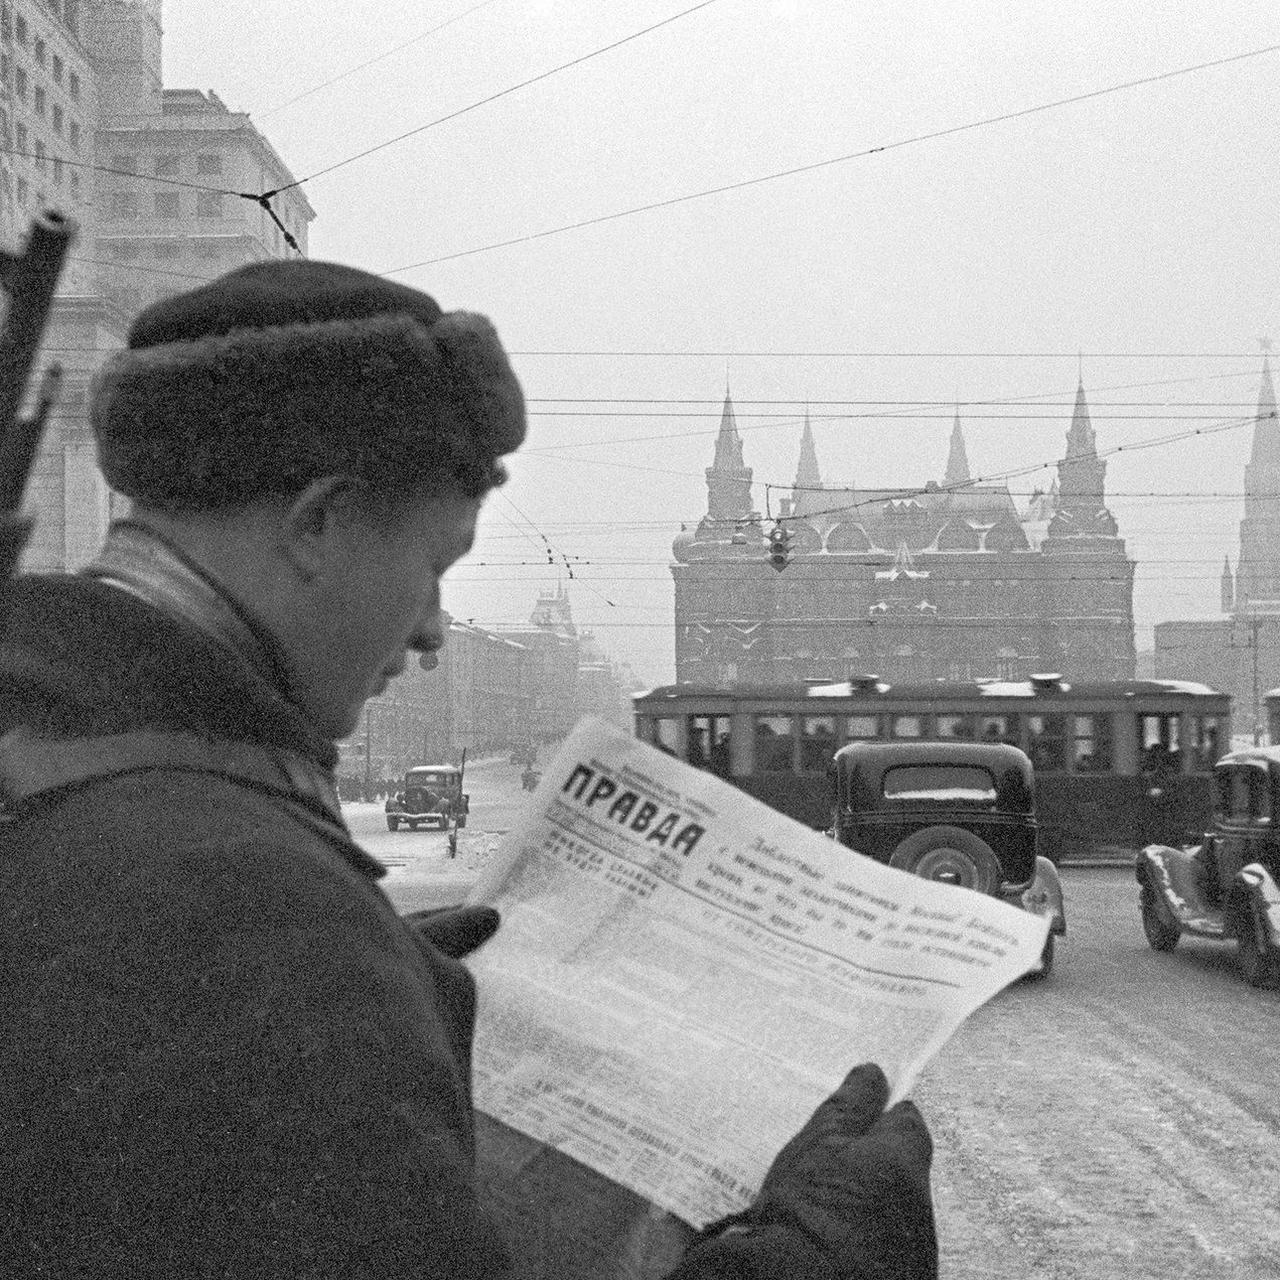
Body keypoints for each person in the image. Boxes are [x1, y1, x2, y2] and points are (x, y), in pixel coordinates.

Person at [0, 260, 937, 1278]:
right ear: (317, 521)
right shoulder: (236, 900)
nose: (434, 631)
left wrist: (362, 977)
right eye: (436, 565)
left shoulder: (61, 747)